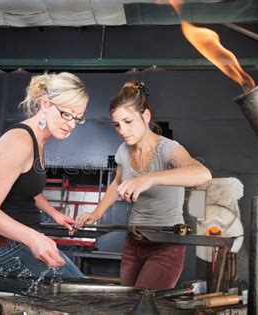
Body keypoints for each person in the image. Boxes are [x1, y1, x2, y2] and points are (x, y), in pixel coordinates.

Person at [75, 81, 212, 290]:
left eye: (128, 121)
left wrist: (149, 178)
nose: (122, 130)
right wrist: (95, 214)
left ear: (145, 116)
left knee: (144, 305)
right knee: (128, 303)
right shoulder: (123, 150)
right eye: (117, 124)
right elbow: (117, 183)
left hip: (166, 244)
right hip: (134, 241)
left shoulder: (167, 148)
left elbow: (202, 173)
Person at [0, 72, 88, 279]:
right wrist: (34, 238)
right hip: (1, 251)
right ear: (45, 104)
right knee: (80, 294)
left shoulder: (39, 141)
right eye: (66, 114)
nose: (72, 124)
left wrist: (55, 214)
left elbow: (26, 189)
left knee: (81, 287)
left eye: (77, 118)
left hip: (18, 244)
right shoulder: (20, 142)